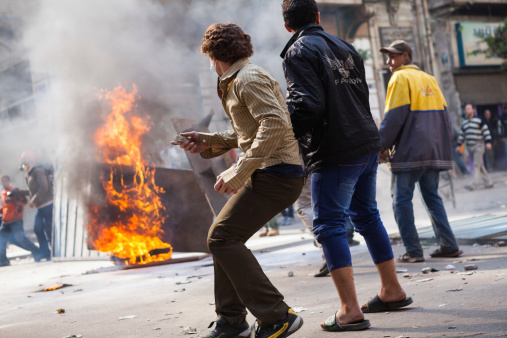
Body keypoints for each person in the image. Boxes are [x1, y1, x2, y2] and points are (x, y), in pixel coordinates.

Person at [281, 1, 411, 332]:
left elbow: (307, 106)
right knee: (367, 217)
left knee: (328, 224)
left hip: (336, 149)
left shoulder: (298, 51)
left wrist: (281, 129)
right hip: (366, 142)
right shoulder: (346, 47)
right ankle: (392, 290)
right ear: (318, 17)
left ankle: (349, 310)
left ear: (287, 25)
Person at [172, 23, 304, 338]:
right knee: (223, 238)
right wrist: (208, 140)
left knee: (221, 238)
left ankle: (277, 317)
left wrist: (239, 169)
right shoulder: (237, 79)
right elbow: (249, 131)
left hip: (278, 173)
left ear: (212, 53)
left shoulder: (248, 78)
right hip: (271, 171)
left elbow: (273, 124)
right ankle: (231, 322)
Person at [378, 40, 463, 263]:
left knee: (401, 201)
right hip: (433, 151)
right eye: (387, 57)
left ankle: (414, 251)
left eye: (393, 57)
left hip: (409, 152)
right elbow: (444, 117)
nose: (389, 62)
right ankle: (449, 244)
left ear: (406, 57)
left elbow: (394, 117)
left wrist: (380, 146)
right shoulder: (430, 79)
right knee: (432, 197)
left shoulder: (400, 77)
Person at [20, 152, 54, 261]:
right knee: (38, 229)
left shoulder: (38, 171)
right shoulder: (29, 174)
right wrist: (19, 192)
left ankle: (54, 252)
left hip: (48, 204)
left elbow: (44, 187)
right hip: (40, 207)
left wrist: (34, 200)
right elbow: (32, 190)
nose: (23, 164)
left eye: (25, 161)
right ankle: (45, 253)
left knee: (49, 229)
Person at [0, 175, 40, 266]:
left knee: (20, 238)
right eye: (3, 181)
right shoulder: (3, 192)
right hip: (6, 220)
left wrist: (14, 199)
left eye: (6, 181)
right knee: (1, 239)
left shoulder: (15, 190)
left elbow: (24, 202)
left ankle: (37, 252)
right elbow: (5, 206)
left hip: (15, 219)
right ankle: (3, 260)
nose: (5, 183)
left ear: (9, 181)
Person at [457, 103, 494, 190]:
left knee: (475, 165)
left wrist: (488, 142)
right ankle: (489, 182)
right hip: (470, 147)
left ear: (473, 110)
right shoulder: (464, 122)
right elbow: (462, 135)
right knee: (480, 166)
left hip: (479, 145)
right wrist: (459, 145)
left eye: (469, 109)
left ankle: (472, 184)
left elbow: (486, 131)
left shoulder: (479, 120)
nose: (467, 110)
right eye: (466, 109)